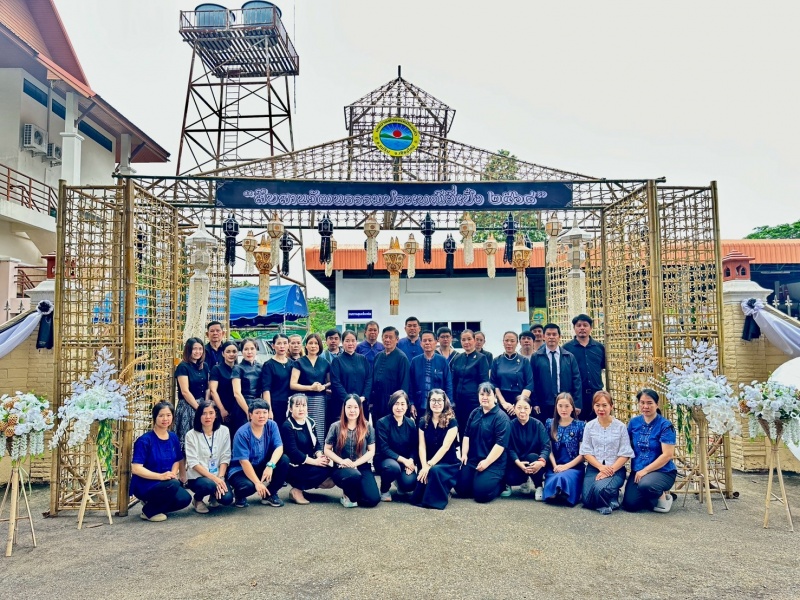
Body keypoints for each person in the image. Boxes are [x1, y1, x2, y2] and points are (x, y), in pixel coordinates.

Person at [131, 402, 192, 521]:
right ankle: (148, 512)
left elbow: (177, 459)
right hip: (145, 483)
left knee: (185, 499)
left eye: (168, 415)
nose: (165, 419)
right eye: (161, 415)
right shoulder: (145, 440)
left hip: (166, 482)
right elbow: (136, 469)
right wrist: (161, 476)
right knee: (174, 484)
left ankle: (153, 505)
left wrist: (173, 473)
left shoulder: (173, 437)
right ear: (154, 417)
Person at [622, 389, 678, 513]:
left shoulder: (665, 425)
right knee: (630, 505)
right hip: (638, 471)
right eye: (642, 402)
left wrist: (645, 470)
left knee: (646, 485)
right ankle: (652, 496)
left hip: (662, 471)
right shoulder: (634, 423)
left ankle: (663, 497)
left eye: (649, 403)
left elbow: (667, 455)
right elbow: (625, 446)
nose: (645, 406)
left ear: (657, 404)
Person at [580, 391, 634, 515]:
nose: (601, 409)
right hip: (594, 467)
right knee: (586, 500)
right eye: (597, 405)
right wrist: (600, 467)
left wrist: (609, 470)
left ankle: (609, 496)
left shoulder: (620, 427)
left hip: (615, 468)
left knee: (599, 489)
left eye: (604, 405)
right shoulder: (589, 426)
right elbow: (586, 451)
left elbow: (625, 453)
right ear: (593, 406)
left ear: (611, 406)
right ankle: (610, 496)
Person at [227, 399, 289, 508]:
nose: (262, 416)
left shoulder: (272, 425)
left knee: (284, 460)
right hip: (240, 469)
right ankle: (239, 495)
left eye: (265, 412)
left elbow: (279, 447)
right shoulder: (242, 433)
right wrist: (257, 483)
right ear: (250, 415)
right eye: (257, 413)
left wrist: (270, 465)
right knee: (248, 487)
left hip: (261, 465)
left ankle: (270, 494)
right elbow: (244, 461)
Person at [455, 382, 511, 503]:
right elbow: (466, 435)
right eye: (481, 394)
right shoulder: (475, 412)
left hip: (493, 462)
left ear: (495, 396)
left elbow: (500, 445)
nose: (484, 397)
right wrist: (464, 454)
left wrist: (486, 462)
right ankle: (477, 481)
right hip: (473, 460)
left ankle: (501, 484)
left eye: (488, 394)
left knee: (481, 495)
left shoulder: (501, 418)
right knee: (460, 489)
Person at [324, 394, 380, 508]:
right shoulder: (335, 426)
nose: (352, 410)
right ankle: (348, 494)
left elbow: (371, 451)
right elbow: (327, 449)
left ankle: (354, 492)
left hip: (362, 466)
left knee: (373, 500)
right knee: (353, 477)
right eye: (349, 407)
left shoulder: (367, 427)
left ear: (360, 408)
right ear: (344, 408)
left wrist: (355, 464)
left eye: (355, 407)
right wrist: (342, 461)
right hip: (341, 467)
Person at [410, 389, 461, 510]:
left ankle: (440, 497)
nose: (436, 403)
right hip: (427, 462)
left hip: (447, 463)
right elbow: (422, 446)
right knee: (417, 495)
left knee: (434, 471)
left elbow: (445, 447)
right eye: (433, 400)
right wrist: (424, 466)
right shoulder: (423, 421)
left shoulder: (452, 422)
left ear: (444, 402)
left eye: (439, 400)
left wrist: (429, 465)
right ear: (429, 402)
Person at [281, 393, 334, 505]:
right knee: (325, 471)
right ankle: (297, 490)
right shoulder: (287, 426)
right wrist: (315, 462)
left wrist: (320, 456)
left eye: (304, 405)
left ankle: (305, 486)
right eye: (297, 406)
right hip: (294, 466)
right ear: (290, 409)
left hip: (309, 462)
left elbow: (317, 444)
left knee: (331, 470)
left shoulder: (310, 422)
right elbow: (293, 452)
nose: (301, 409)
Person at [184, 400, 234, 512]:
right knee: (209, 485)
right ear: (199, 416)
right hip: (198, 477)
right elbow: (193, 463)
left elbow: (225, 456)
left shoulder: (224, 431)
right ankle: (197, 499)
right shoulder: (191, 435)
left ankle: (213, 495)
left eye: (211, 413)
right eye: (204, 413)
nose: (208, 417)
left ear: (216, 414)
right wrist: (214, 479)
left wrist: (220, 478)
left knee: (227, 499)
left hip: (218, 475)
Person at [174, 337, 210, 481]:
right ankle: (183, 476)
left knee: (200, 440)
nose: (197, 352)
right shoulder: (183, 367)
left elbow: (207, 388)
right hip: (187, 407)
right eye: (194, 349)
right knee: (183, 442)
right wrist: (198, 408)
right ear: (188, 350)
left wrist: (206, 405)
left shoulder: (204, 366)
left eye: (200, 349)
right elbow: (185, 391)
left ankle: (199, 473)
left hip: (202, 405)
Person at [531, 324, 582, 424]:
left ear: (559, 337)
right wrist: (535, 402)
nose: (551, 337)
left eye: (554, 334)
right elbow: (533, 381)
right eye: (548, 334)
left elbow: (577, 381)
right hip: (544, 403)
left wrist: (577, 403)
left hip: (565, 402)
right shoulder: (536, 357)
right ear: (544, 337)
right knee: (546, 429)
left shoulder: (569, 357)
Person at [502, 395, 550, 500]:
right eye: (519, 407)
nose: (522, 411)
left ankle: (538, 486)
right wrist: (518, 462)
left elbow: (546, 446)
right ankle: (523, 481)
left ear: (531, 409)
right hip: (516, 463)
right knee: (509, 477)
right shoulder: (510, 425)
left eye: (526, 408)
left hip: (533, 461)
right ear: (514, 408)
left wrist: (541, 461)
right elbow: (509, 448)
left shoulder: (538, 425)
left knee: (533, 457)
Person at [543, 392, 585, 506]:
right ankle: (557, 491)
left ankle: (564, 492)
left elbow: (583, 454)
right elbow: (548, 449)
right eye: (560, 406)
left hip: (574, 467)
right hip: (555, 466)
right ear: (556, 407)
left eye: (567, 406)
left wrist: (566, 467)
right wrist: (555, 466)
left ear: (572, 407)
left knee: (563, 477)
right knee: (555, 479)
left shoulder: (580, 425)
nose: (563, 409)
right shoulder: (550, 423)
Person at [563, 314, 607, 422]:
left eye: (585, 325)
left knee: (597, 424)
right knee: (577, 425)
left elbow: (602, 367)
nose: (582, 328)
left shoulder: (599, 347)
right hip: (577, 396)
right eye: (579, 325)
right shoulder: (566, 349)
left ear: (591, 328)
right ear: (574, 328)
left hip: (596, 394)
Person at [290, 333, 331, 447]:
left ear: (320, 346)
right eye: (310, 343)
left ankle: (320, 452)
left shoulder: (325, 363)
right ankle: (306, 453)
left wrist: (323, 387)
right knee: (303, 427)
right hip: (302, 401)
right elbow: (292, 384)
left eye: (316, 343)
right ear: (306, 346)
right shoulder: (299, 362)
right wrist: (310, 388)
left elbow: (330, 382)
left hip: (320, 401)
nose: (313, 346)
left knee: (319, 427)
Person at [376, 390, 418, 501]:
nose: (399, 407)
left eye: (402, 404)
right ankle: (384, 489)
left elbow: (414, 446)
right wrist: (405, 461)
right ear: (391, 405)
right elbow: (384, 449)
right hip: (386, 460)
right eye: (396, 404)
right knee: (393, 468)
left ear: (407, 406)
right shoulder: (382, 423)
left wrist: (411, 460)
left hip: (404, 461)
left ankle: (399, 482)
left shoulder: (411, 423)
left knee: (410, 484)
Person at [450, 329, 490, 438]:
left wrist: (483, 400)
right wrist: (452, 401)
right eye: (463, 340)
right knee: (461, 430)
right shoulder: (457, 358)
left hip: (474, 402)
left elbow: (484, 382)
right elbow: (453, 381)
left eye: (469, 339)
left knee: (474, 431)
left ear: (474, 340)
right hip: (459, 402)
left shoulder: (481, 358)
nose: (466, 342)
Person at [370, 326, 410, 424]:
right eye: (385, 337)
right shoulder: (378, 356)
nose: (387, 340)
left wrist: (399, 403)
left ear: (397, 339)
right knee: (377, 426)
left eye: (390, 337)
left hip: (392, 401)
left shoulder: (402, 358)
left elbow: (404, 383)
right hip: (377, 400)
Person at [330, 330, 372, 423]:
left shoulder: (363, 359)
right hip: (343, 403)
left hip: (361, 402)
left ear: (356, 342)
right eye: (347, 341)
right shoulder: (337, 361)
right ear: (342, 342)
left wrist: (364, 396)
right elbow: (336, 382)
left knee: (362, 428)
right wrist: (348, 399)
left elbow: (369, 379)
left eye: (353, 340)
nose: (350, 343)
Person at [409, 331, 453, 419]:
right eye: (424, 340)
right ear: (421, 343)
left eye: (430, 340)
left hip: (438, 406)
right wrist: (411, 403)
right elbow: (411, 384)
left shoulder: (442, 361)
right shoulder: (415, 361)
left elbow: (448, 384)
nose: (427, 343)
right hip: (420, 405)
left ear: (436, 342)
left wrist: (449, 404)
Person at [209, 341, 248, 437]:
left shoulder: (240, 368)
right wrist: (222, 409)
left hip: (238, 409)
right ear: (223, 353)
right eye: (228, 351)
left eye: (234, 351)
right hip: (223, 408)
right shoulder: (217, 369)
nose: (231, 354)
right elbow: (213, 391)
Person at [490, 331, 533, 417]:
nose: (509, 343)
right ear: (503, 342)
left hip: (520, 401)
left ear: (517, 343)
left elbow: (529, 384)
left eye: (512, 341)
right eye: (506, 340)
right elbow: (493, 383)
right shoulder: (496, 361)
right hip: (502, 401)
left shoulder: (524, 361)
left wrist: (518, 404)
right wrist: (504, 403)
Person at [261, 333, 295, 425]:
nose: (282, 346)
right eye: (279, 343)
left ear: (288, 345)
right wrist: (268, 410)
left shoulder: (293, 364)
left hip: (291, 405)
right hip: (275, 405)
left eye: (285, 343)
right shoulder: (268, 365)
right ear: (273, 346)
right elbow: (266, 389)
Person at [232, 338, 262, 413]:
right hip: (243, 405)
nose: (249, 352)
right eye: (246, 349)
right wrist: (248, 412)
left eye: (252, 349)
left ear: (256, 350)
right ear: (241, 352)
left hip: (259, 405)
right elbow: (237, 393)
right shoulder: (237, 368)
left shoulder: (261, 367)